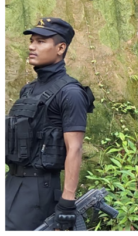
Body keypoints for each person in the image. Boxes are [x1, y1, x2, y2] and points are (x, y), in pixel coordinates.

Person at [5, 18, 95, 231]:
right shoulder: (28, 90)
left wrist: (67, 202)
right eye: (32, 40)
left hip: (39, 189)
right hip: (11, 181)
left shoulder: (71, 93)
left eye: (40, 41)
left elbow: (75, 147)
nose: (31, 46)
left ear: (60, 48)